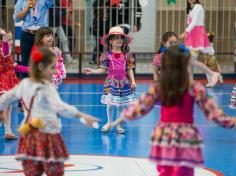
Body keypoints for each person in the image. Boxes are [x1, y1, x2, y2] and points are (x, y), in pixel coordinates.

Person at [111, 45, 236, 176]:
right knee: (185, 171)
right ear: (187, 64)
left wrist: (119, 119)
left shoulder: (160, 87)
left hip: (165, 135)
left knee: (165, 171)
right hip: (185, 136)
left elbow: (139, 108)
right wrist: (231, 122)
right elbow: (213, 113)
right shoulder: (194, 88)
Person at [0, 47, 98, 176]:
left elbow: (6, 98)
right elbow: (60, 106)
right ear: (41, 67)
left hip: (29, 135)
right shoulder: (47, 87)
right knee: (54, 171)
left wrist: (1, 109)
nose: (56, 70)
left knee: (32, 171)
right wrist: (82, 115)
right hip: (48, 136)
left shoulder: (24, 84)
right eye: (52, 67)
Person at [84, 26, 136, 133]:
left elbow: (129, 69)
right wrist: (93, 71)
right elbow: (103, 70)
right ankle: (109, 122)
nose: (119, 40)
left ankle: (118, 125)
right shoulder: (107, 55)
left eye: (121, 38)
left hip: (123, 83)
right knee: (110, 104)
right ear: (111, 41)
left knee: (120, 105)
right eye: (116, 38)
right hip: (111, 83)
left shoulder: (127, 55)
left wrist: (133, 81)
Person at [179, 0, 219, 87]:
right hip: (193, 35)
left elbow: (194, 22)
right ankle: (190, 82)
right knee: (189, 61)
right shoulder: (192, 7)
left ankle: (212, 73)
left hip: (196, 36)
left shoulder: (197, 7)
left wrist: (185, 32)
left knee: (190, 60)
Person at [90, 0, 142, 64]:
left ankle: (125, 61)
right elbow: (97, 5)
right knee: (104, 41)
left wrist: (137, 23)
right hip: (108, 24)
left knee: (117, 37)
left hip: (124, 23)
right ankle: (101, 60)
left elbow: (137, 10)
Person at [0, 28, 29, 140]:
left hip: (8, 81)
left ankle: (8, 131)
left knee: (9, 107)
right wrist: (4, 37)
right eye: (9, 39)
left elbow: (18, 67)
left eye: (11, 39)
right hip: (4, 82)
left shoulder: (7, 55)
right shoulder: (3, 51)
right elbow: (6, 50)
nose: (11, 41)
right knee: (5, 106)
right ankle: (7, 129)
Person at [13, 0, 54, 78]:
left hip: (41, 34)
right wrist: (27, 7)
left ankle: (43, 82)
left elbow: (51, 3)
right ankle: (25, 84)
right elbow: (16, 18)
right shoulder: (21, 1)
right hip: (26, 33)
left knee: (43, 59)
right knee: (25, 61)